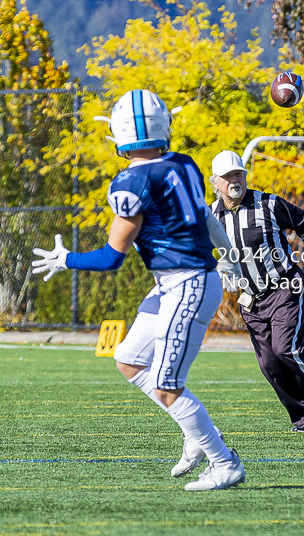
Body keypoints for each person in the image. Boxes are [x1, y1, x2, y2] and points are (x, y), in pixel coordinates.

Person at [31, 89, 246, 490]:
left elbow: (113, 257)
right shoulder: (184, 164)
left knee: (167, 387)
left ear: (118, 133)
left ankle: (223, 461)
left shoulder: (131, 181)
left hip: (188, 284)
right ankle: (192, 428)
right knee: (129, 359)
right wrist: (229, 253)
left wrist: (67, 260)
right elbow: (205, 220)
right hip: (178, 283)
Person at [209, 149, 304, 433]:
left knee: (285, 349)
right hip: (249, 299)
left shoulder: (267, 204)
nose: (234, 179)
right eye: (228, 175)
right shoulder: (211, 216)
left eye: (238, 173)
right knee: (269, 363)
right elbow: (200, 251)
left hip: (285, 287)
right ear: (215, 182)